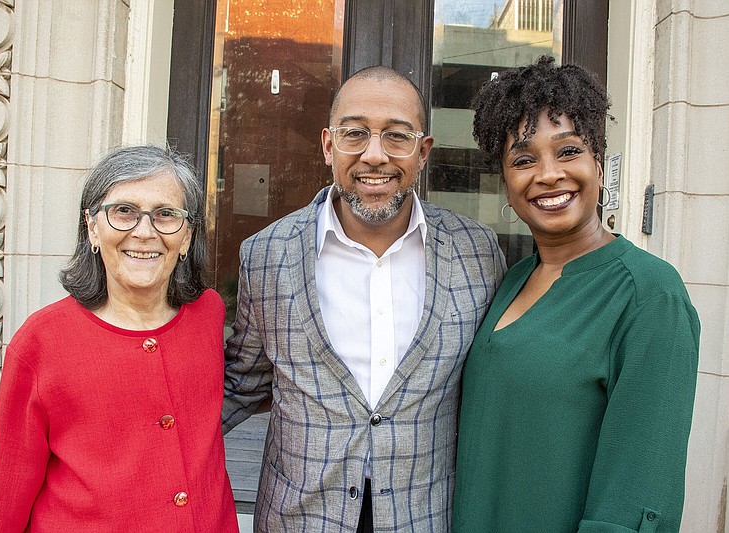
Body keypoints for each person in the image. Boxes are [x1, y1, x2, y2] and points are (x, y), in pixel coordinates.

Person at [222, 66, 506, 532]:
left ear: (424, 151)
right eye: (355, 133)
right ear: (329, 146)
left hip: (427, 517)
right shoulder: (267, 255)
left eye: (397, 136)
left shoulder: (475, 252)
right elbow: (242, 384)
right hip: (301, 519)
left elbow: (495, 386)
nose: (375, 156)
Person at [452, 56, 700, 532]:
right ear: (507, 186)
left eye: (568, 152)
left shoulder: (648, 294)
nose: (548, 174)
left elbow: (641, 491)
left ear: (600, 166)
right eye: (524, 160)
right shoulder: (511, 280)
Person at [0, 145, 239, 532]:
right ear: (92, 228)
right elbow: (7, 491)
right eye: (124, 212)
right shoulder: (41, 342)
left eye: (166, 214)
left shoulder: (208, 314)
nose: (145, 232)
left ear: (187, 237)